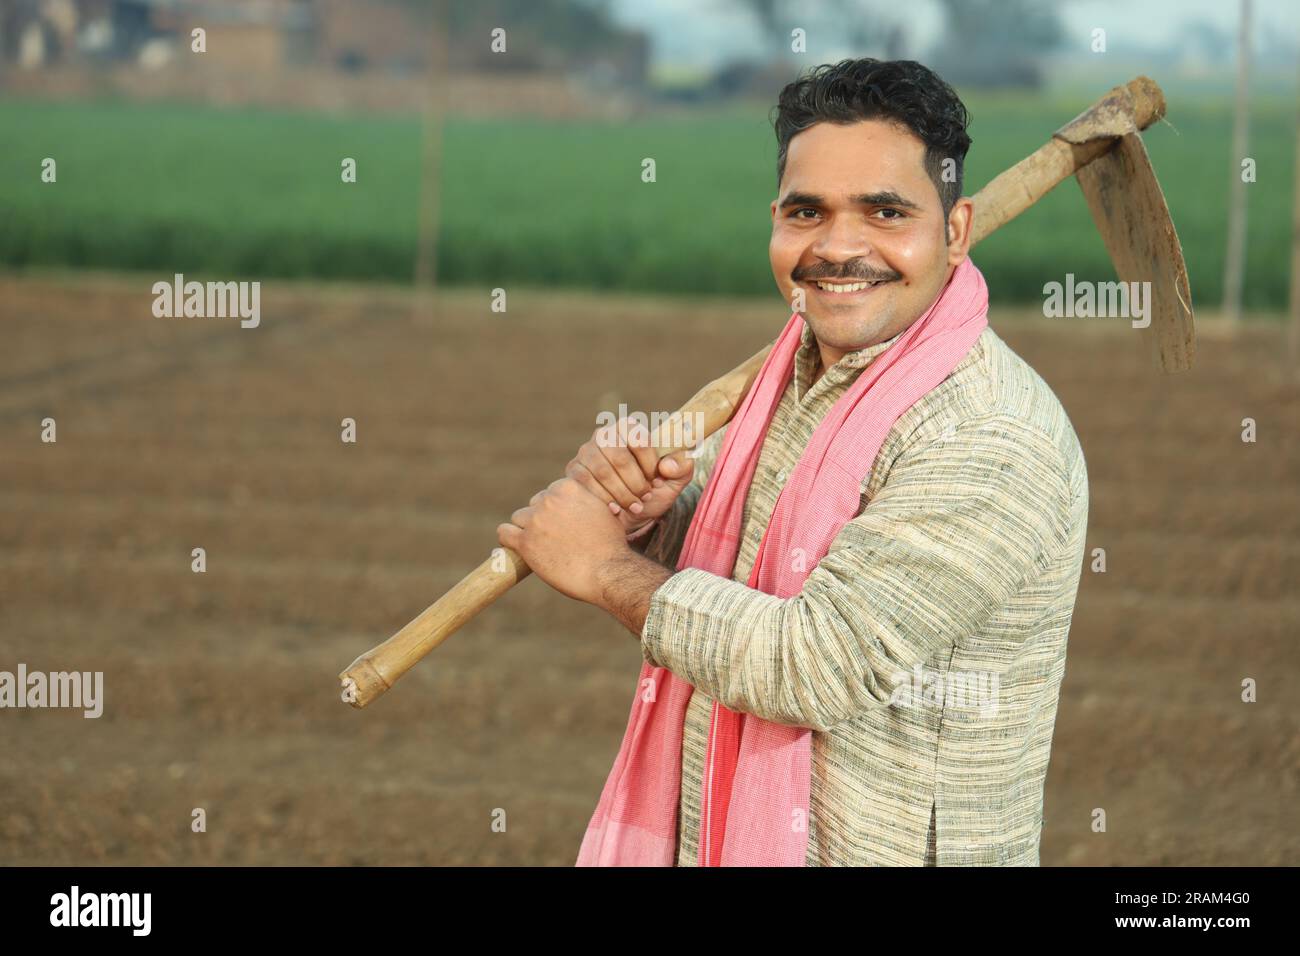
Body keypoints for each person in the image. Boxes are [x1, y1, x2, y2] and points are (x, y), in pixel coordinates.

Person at [497, 58, 1088, 867]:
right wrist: (656, 523)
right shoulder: (800, 371)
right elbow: (758, 567)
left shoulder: (989, 435)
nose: (839, 248)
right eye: (808, 212)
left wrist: (603, 570)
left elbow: (810, 664)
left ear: (955, 231)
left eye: (885, 212)